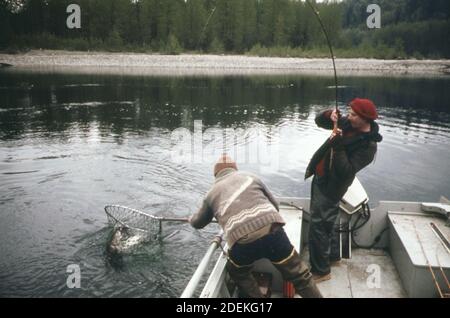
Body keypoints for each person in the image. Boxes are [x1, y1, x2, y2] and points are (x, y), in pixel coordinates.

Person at [189, 154, 323, 298]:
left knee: (237, 271)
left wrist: (190, 219)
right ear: (235, 169)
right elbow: (275, 206)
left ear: (216, 175)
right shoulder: (250, 177)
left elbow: (198, 223)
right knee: (300, 275)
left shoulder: (211, 194)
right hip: (273, 233)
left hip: (244, 244)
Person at [304, 98, 383, 282]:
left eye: (354, 114)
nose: (349, 116)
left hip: (332, 186)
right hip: (322, 177)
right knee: (327, 221)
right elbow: (319, 121)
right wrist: (328, 115)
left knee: (319, 226)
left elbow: (346, 171)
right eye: (349, 112)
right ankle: (332, 258)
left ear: (365, 119)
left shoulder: (368, 147)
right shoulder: (348, 122)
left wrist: (337, 145)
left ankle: (321, 271)